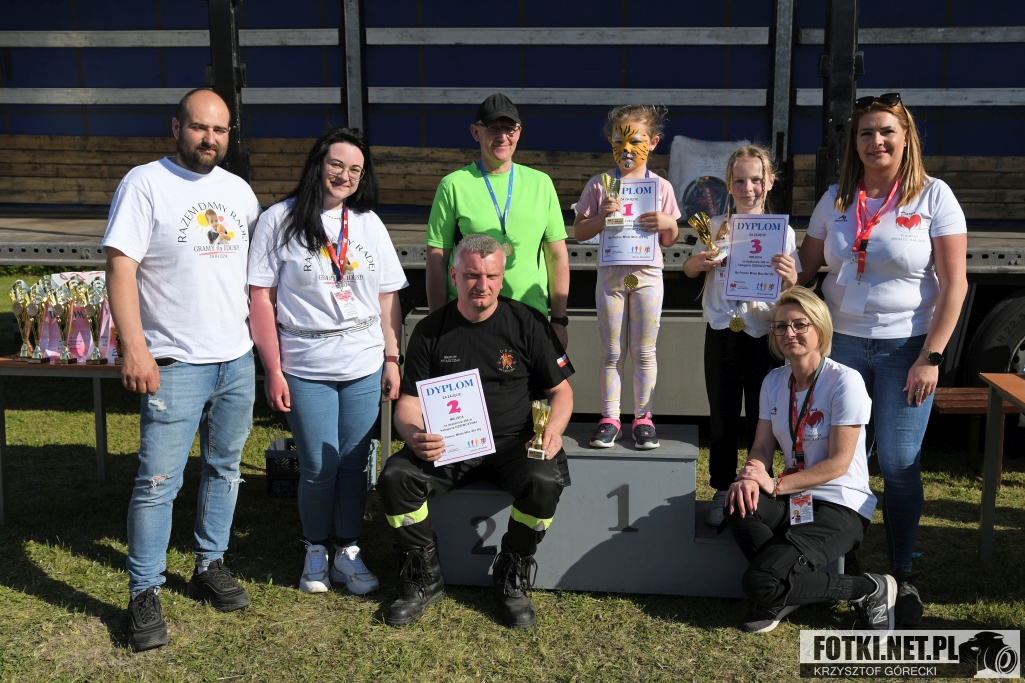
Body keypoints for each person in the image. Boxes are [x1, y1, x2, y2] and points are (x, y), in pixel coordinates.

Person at [798, 93, 968, 625]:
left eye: (887, 131)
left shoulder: (934, 196)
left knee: (897, 463)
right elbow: (804, 271)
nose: (877, 141)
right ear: (854, 143)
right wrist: (745, 264)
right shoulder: (836, 199)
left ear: (906, 138)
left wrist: (931, 356)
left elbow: (955, 285)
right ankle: (841, 558)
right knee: (838, 458)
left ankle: (901, 567)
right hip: (840, 347)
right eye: (866, 133)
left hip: (906, 350)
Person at [103, 88, 262, 651]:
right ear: (177, 127)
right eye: (199, 127)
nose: (209, 139)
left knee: (225, 469)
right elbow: (120, 267)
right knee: (157, 483)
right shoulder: (145, 183)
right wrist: (135, 347)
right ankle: (143, 592)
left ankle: (209, 563)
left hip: (235, 358)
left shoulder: (239, 192)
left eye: (220, 130)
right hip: (174, 362)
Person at [377, 234, 574, 629]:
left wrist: (552, 431)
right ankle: (423, 576)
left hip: (514, 445)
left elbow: (562, 392)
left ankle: (512, 571)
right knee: (396, 477)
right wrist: (414, 434)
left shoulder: (528, 323)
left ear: (502, 278)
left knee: (544, 482)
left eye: (491, 276)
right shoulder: (430, 330)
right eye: (471, 275)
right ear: (453, 276)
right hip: (449, 446)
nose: (481, 285)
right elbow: (409, 403)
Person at [248, 128, 407, 595]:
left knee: (355, 464)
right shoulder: (278, 219)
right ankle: (315, 550)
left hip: (363, 361)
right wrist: (273, 369)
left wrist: (392, 358)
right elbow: (261, 299)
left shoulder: (368, 223)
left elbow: (388, 298)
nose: (345, 175)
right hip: (305, 363)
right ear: (318, 164)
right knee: (318, 466)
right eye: (337, 164)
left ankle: (348, 551)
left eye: (355, 169)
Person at [726, 286, 897, 633]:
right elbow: (761, 447)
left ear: (819, 328)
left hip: (840, 504)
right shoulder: (773, 381)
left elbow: (839, 463)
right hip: (796, 497)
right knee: (739, 504)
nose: (789, 333)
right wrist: (750, 475)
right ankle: (789, 584)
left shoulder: (845, 381)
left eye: (799, 324)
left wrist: (774, 484)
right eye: (780, 326)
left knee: (760, 582)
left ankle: (869, 588)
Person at [682, 145, 801, 526]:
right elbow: (689, 269)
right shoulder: (715, 225)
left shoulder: (782, 232)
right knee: (722, 413)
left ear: (770, 182)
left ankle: (757, 485)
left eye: (755, 180)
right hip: (721, 331)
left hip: (762, 334)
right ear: (729, 184)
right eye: (739, 181)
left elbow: (791, 287)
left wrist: (792, 277)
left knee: (763, 416)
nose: (748, 188)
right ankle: (721, 487)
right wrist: (697, 263)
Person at [424, 92, 571, 350]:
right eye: (493, 128)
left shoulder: (541, 184)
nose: (502, 136)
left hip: (530, 319)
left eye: (509, 128)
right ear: (476, 132)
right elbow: (437, 259)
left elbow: (556, 256)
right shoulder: (453, 185)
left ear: (519, 132)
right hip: (470, 320)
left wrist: (559, 321)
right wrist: (437, 322)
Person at [573, 105, 681, 449]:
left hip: (647, 276)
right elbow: (579, 231)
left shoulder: (661, 187)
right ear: (610, 142)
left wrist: (668, 223)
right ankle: (609, 418)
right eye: (620, 141)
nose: (627, 149)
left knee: (645, 352)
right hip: (611, 278)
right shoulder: (600, 184)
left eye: (636, 141)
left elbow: (670, 238)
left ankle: (643, 418)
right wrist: (600, 218)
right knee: (611, 352)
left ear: (654, 142)